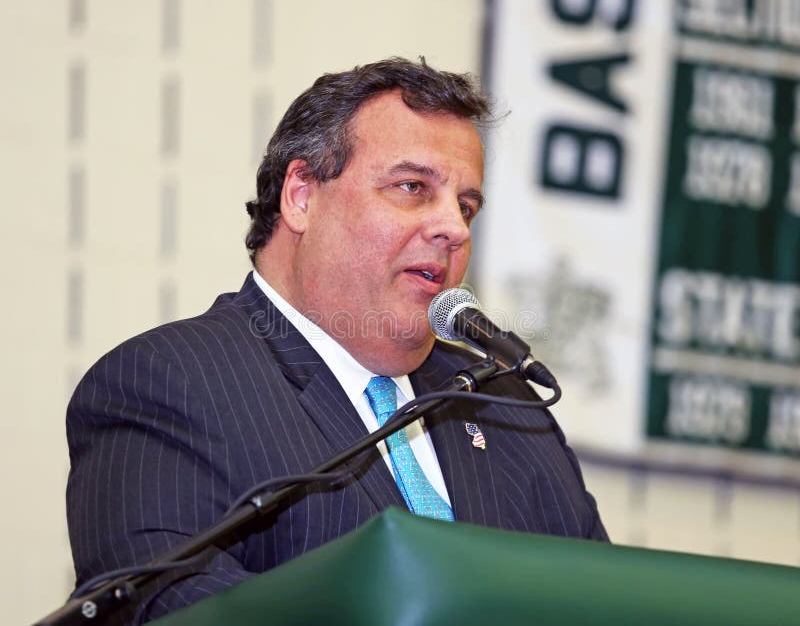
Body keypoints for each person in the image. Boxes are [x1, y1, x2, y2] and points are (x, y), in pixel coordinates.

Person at [66, 57, 607, 622]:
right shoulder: (168, 381)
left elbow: (603, 602)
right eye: (412, 187)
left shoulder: (506, 405)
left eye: (466, 205)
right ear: (301, 195)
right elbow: (168, 611)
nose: (454, 227)